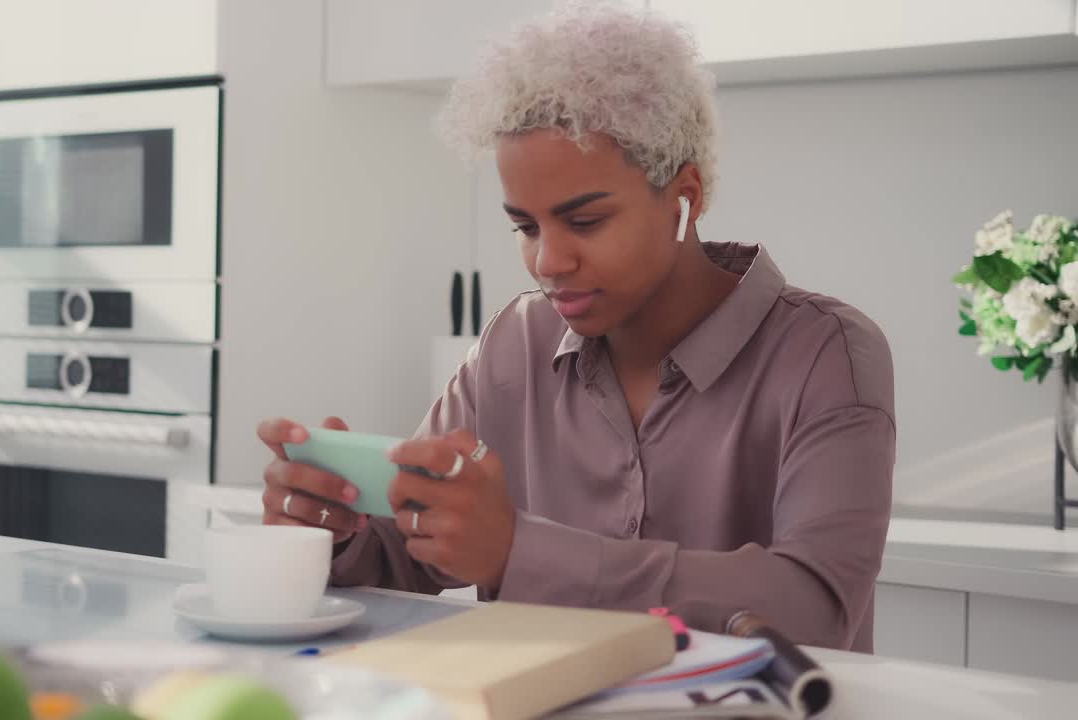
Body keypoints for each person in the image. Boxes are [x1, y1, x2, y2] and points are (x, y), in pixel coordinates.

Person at [256, 1, 894, 652]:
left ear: (687, 196)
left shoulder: (826, 353)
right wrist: (332, 528)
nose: (547, 261)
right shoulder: (514, 344)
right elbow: (411, 550)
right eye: (525, 227)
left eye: (584, 222)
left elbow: (815, 610)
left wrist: (517, 550)